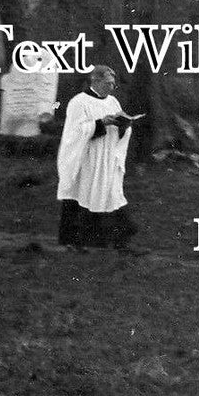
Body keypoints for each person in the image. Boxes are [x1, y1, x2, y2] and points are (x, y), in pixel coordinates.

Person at [56, 65, 146, 255]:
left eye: (113, 83)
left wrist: (124, 125)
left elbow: (121, 127)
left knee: (112, 196)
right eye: (108, 83)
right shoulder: (79, 102)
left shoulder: (113, 101)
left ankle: (121, 243)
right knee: (83, 197)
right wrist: (100, 123)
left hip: (107, 157)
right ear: (95, 81)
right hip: (87, 157)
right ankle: (75, 242)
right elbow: (74, 132)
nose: (112, 87)